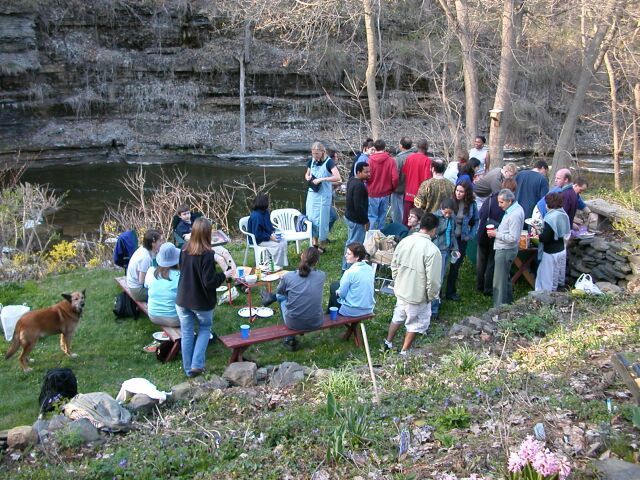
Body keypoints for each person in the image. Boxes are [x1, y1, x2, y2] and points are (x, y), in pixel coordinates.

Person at [176, 218, 234, 377]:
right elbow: (209, 282)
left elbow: (184, 269)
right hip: (200, 301)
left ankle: (188, 370)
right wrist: (225, 274)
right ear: (207, 234)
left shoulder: (184, 248)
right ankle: (197, 364)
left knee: (187, 333)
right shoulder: (207, 254)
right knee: (204, 329)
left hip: (182, 299)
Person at [383, 213, 442, 355]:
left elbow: (394, 265)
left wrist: (397, 281)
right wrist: (431, 295)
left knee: (398, 315)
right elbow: (433, 280)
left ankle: (388, 342)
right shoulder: (433, 250)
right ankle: (404, 351)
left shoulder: (405, 241)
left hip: (401, 289)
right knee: (414, 323)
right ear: (434, 230)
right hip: (418, 294)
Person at [274, 247, 327, 350]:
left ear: (301, 257)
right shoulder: (321, 275)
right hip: (316, 321)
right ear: (317, 262)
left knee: (280, 297)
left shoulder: (288, 276)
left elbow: (279, 292)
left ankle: (289, 338)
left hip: (294, 322)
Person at [476, 178, 517, 296]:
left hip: (483, 233)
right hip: (495, 236)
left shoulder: (490, 199)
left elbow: (480, 214)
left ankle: (479, 285)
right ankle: (488, 288)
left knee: (481, 261)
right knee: (491, 262)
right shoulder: (508, 204)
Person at [487, 189, 525, 307]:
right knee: (505, 278)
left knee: (499, 281)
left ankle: (498, 307)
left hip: (505, 250)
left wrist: (496, 234)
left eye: (502, 202)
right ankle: (508, 303)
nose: (499, 205)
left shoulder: (514, 215)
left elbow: (513, 237)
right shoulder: (513, 209)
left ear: (510, 201)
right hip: (505, 248)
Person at [304, 141, 342, 252]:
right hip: (312, 195)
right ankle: (314, 244)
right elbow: (307, 173)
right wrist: (307, 177)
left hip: (323, 196)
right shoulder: (312, 161)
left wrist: (322, 179)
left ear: (322, 152)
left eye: (317, 153)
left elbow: (337, 177)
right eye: (313, 153)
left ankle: (322, 244)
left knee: (323, 220)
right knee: (312, 219)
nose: (315, 156)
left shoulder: (329, 162)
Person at [445, 181, 478, 301]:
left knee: (455, 265)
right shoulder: (450, 201)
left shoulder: (471, 205)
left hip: (461, 239)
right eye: (457, 191)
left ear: (466, 193)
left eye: (461, 192)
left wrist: (470, 235)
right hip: (448, 236)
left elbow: (476, 220)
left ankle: (450, 292)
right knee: (443, 263)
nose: (458, 193)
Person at [535, 192, 570, 292]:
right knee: (555, 275)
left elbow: (545, 238)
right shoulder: (563, 214)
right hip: (561, 249)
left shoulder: (550, 218)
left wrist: (537, 233)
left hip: (550, 252)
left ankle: (544, 297)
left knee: (546, 278)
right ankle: (554, 294)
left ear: (548, 204)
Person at [328, 243, 375, 317]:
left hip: (351, 311)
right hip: (368, 308)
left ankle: (331, 314)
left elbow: (342, 294)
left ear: (357, 257)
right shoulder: (370, 269)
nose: (345, 255)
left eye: (349, 254)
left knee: (334, 286)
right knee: (338, 285)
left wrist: (339, 291)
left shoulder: (350, 272)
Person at [430, 198, 459, 321]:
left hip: (447, 249)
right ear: (441, 208)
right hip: (438, 250)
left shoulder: (452, 218)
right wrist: (445, 222)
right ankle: (433, 310)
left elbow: (452, 234)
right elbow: (435, 233)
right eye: (445, 212)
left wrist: (456, 248)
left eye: (450, 213)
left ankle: (437, 303)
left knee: (441, 277)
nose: (447, 215)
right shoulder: (435, 218)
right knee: (438, 279)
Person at [144, 242, 181, 327]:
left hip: (153, 315)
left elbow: (145, 286)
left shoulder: (151, 271)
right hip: (175, 319)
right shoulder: (180, 275)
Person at [248, 193, 288, 267]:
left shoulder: (265, 212)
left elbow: (268, 226)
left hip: (266, 236)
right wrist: (270, 237)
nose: (268, 203)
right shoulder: (256, 216)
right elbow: (257, 234)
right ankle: (276, 265)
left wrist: (273, 233)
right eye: (267, 201)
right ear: (263, 203)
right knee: (278, 245)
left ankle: (278, 264)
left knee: (283, 241)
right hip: (258, 240)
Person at [343, 162, 370, 270]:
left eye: (369, 171)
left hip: (349, 216)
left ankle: (345, 266)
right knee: (354, 245)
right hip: (356, 220)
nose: (369, 174)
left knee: (350, 241)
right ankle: (349, 268)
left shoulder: (351, 180)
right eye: (366, 172)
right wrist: (365, 221)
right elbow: (358, 206)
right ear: (358, 172)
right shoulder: (359, 186)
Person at [367, 139, 399, 230]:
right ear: (384, 148)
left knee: (372, 217)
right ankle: (380, 239)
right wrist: (393, 188)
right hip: (385, 193)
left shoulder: (370, 160)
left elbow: (366, 176)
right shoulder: (391, 160)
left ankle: (370, 239)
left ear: (375, 148)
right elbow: (395, 178)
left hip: (372, 192)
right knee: (382, 218)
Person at [125, 228, 162, 301]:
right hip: (138, 291)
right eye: (160, 241)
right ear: (153, 243)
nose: (162, 243)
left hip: (134, 284)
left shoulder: (145, 249)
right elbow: (141, 281)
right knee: (165, 292)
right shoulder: (145, 258)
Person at [402, 139, 432, 224]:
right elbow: (428, 180)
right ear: (426, 148)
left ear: (417, 146)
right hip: (420, 195)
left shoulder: (410, 158)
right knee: (418, 219)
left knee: (407, 218)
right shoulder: (427, 161)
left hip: (409, 192)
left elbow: (405, 172)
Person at [391, 137, 417, 224]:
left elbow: (395, 176)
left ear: (401, 146)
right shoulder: (416, 156)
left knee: (399, 214)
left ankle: (400, 232)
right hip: (414, 190)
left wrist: (393, 187)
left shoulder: (398, 159)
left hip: (400, 190)